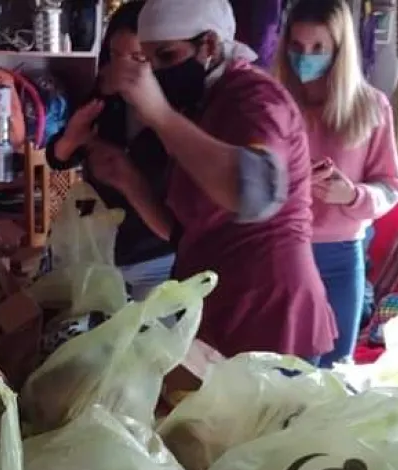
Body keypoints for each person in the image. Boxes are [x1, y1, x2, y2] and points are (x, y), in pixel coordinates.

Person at [85, 0, 337, 362]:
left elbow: (255, 192)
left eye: (168, 57)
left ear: (210, 45)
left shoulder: (255, 98)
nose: (157, 73)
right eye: (149, 61)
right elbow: (183, 232)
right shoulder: (201, 104)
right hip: (214, 308)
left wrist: (158, 114)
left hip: (269, 314)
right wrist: (125, 177)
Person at [275, 0, 398, 367]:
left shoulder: (371, 107)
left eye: (318, 48)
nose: (305, 58)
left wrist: (353, 195)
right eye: (297, 47)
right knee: (284, 371)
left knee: (335, 371)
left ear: (340, 50)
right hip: (283, 250)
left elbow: (390, 186)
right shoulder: (274, 104)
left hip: (342, 257)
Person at [45, 0, 174, 300]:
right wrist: (72, 139)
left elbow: (176, 225)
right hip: (98, 248)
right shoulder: (105, 94)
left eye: (137, 58)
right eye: (116, 55)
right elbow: (58, 158)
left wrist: (127, 178)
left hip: (154, 258)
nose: (123, 68)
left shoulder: (179, 111)